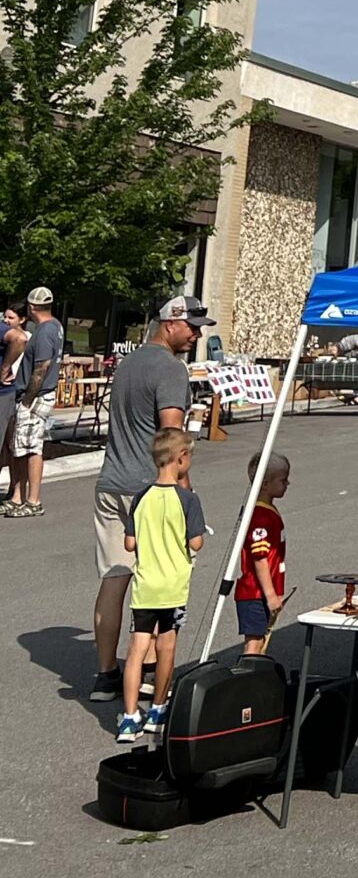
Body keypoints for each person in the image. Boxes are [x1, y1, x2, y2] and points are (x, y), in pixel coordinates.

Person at [91, 293, 205, 702]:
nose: (196, 334)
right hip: (151, 489)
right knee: (161, 580)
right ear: (169, 323)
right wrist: (184, 492)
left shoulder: (128, 364)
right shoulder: (170, 369)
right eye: (191, 326)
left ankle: (106, 675)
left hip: (111, 482)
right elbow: (170, 437)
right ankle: (151, 673)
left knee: (114, 577)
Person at [118, 429, 205, 742]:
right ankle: (157, 708)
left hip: (145, 586)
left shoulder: (142, 498)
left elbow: (130, 543)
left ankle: (129, 717)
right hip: (174, 586)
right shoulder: (187, 500)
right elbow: (195, 541)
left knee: (136, 650)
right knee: (166, 647)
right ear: (181, 458)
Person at [5, 286, 65, 517]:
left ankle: (33, 500)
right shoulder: (55, 326)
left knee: (30, 449)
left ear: (31, 307)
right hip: (38, 395)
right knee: (20, 448)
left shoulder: (44, 332)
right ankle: (19, 497)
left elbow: (41, 368)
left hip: (36, 396)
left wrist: (27, 399)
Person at [237, 450, 290, 654]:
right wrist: (271, 595)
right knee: (255, 643)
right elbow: (260, 557)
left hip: (261, 591)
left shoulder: (267, 512)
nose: (287, 484)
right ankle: (246, 680)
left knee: (260, 641)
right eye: (282, 480)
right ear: (265, 484)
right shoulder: (261, 517)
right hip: (254, 591)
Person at [0, 304, 27, 500]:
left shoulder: (22, 338)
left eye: (11, 317)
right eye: (5, 317)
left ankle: (15, 489)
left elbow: (19, 339)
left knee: (11, 446)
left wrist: (4, 369)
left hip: (12, 394)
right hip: (10, 395)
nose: (6, 321)